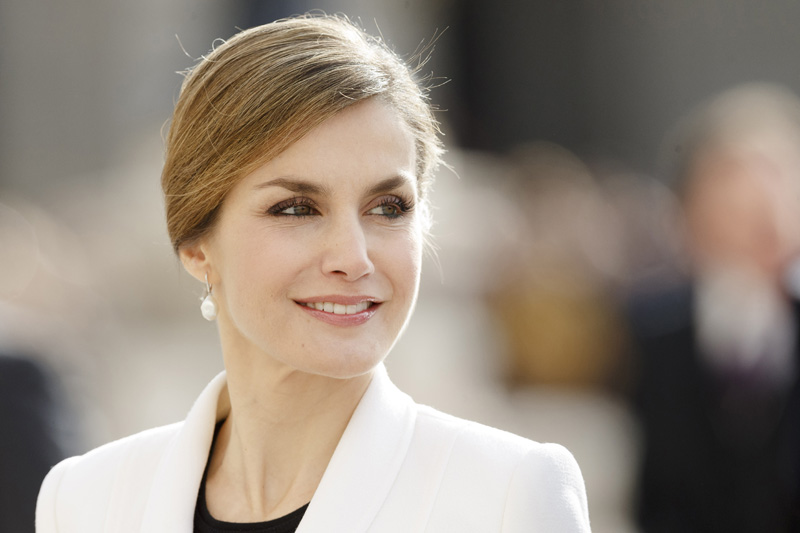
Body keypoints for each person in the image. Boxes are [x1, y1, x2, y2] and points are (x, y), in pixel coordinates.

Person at [35, 14, 590, 532]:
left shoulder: (506, 495)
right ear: (197, 245)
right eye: (296, 209)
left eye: (388, 207)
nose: (354, 256)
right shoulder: (85, 500)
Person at [631, 83, 800, 532]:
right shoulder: (647, 330)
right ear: (687, 208)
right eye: (735, 174)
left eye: (779, 171)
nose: (763, 196)